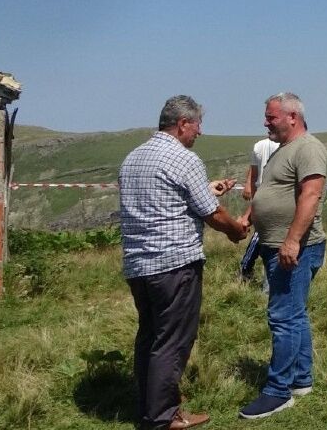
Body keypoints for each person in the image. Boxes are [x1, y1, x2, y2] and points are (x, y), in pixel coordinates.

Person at [119, 95, 248, 430]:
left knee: (149, 335)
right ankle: (163, 418)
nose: (200, 133)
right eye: (197, 125)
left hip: (139, 265)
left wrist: (208, 190)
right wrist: (235, 230)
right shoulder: (184, 158)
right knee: (172, 340)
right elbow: (213, 214)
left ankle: (150, 404)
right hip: (175, 264)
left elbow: (164, 199)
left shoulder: (133, 158)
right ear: (183, 124)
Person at [239, 92, 327, 420]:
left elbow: (311, 194)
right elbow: (271, 192)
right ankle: (301, 379)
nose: (265, 122)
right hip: (275, 244)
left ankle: (278, 392)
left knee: (283, 316)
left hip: (294, 249)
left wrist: (292, 241)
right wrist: (249, 217)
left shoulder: (308, 148)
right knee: (294, 313)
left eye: (271, 116)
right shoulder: (282, 150)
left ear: (293, 116)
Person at [239, 136, 280, 285]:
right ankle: (246, 267)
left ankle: (246, 267)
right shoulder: (282, 146)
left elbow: (254, 170)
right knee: (262, 234)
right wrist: (249, 184)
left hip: (264, 194)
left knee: (262, 234)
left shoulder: (260, 145)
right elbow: (254, 169)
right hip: (271, 196)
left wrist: (249, 184)